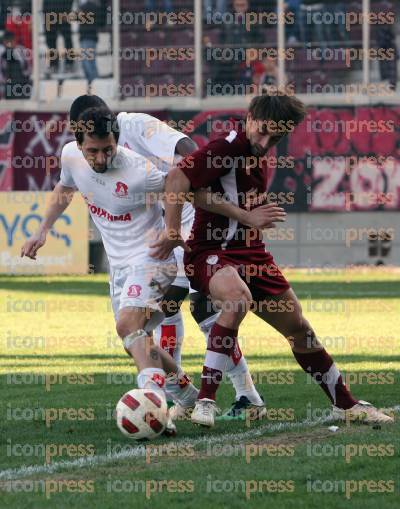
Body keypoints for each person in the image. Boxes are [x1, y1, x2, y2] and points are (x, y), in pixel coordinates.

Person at [151, 93, 395, 427]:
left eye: (276, 137)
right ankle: (205, 400)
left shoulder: (256, 149)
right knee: (236, 301)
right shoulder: (228, 147)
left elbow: (201, 192)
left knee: (300, 330)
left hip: (252, 253)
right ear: (250, 117)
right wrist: (172, 229)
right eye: (263, 132)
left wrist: (245, 218)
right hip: (212, 252)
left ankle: (346, 405)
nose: (266, 142)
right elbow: (178, 180)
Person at [67, 95, 272, 421]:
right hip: (163, 230)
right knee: (146, 324)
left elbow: (190, 150)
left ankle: (206, 395)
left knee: (172, 315)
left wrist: (212, 191)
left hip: (187, 222)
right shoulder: (87, 153)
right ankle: (196, 394)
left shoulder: (134, 124)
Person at [43, 0, 74, 73]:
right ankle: (53, 64)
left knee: (68, 40)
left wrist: (67, 12)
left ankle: (70, 64)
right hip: (49, 16)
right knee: (50, 41)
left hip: (63, 15)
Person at [0, 30, 31, 99]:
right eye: (8, 42)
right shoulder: (2, 53)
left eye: (12, 41)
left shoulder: (21, 50)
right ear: (4, 42)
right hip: (9, 87)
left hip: (23, 85)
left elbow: (28, 69)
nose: (10, 44)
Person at [77, 0, 101, 84]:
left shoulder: (88, 6)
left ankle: (93, 80)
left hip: (88, 36)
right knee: (88, 61)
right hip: (88, 37)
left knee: (88, 61)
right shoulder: (94, 6)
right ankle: (93, 80)